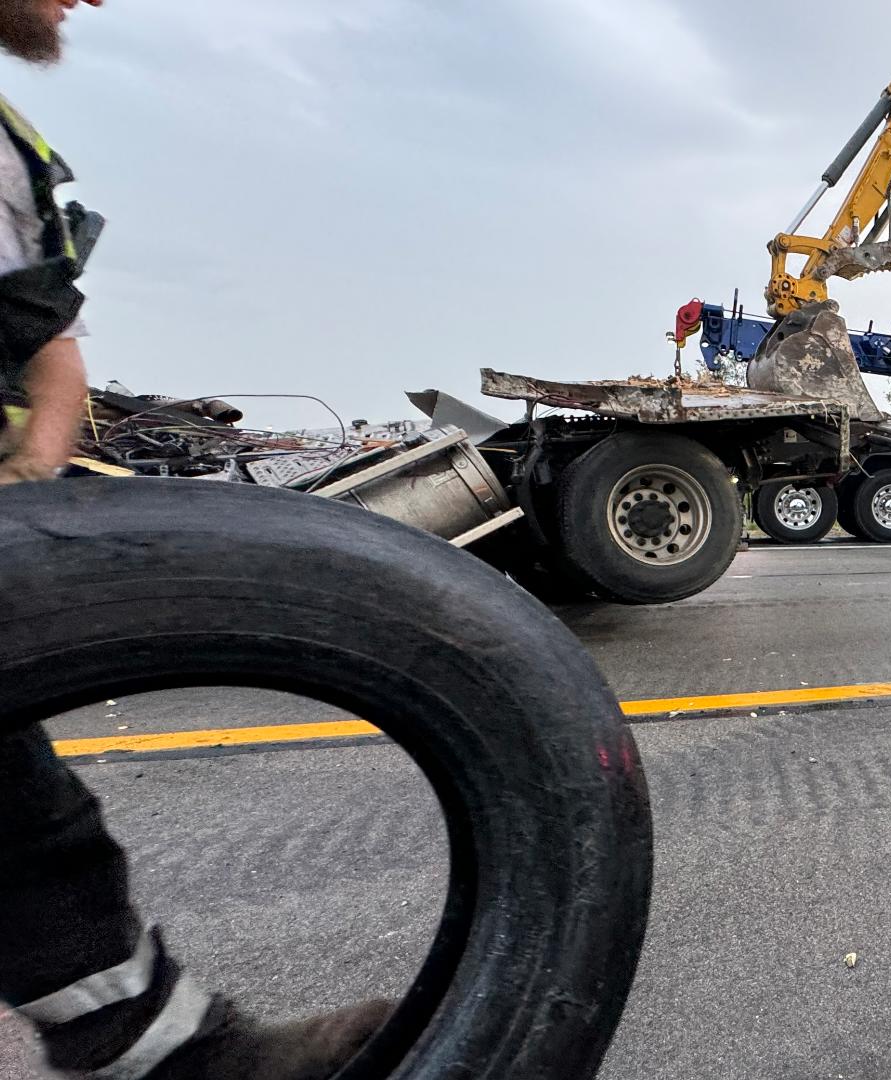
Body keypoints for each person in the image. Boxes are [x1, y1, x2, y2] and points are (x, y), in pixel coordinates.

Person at [0, 2, 389, 1076]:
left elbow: (49, 348)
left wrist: (30, 494)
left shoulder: (13, 149)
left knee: (32, 827)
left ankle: (165, 1053)